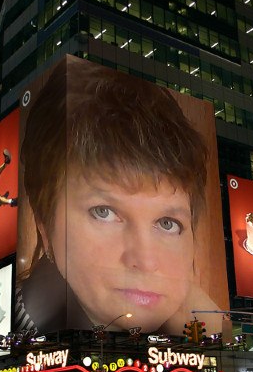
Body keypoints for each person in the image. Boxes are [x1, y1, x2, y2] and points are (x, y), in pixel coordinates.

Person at [15, 55, 221, 336]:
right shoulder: (12, 334)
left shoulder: (195, 330)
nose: (145, 260)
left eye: (167, 223)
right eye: (104, 212)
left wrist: (211, 337)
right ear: (44, 226)